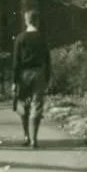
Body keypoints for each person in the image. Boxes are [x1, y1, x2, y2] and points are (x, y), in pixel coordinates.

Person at [12, 10, 51, 148]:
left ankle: (26, 136)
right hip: (39, 73)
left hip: (24, 74)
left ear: (26, 21)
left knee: (23, 104)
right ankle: (34, 138)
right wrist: (47, 77)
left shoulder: (20, 38)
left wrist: (14, 80)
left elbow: (16, 61)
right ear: (37, 21)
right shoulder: (42, 37)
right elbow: (47, 59)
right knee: (37, 104)